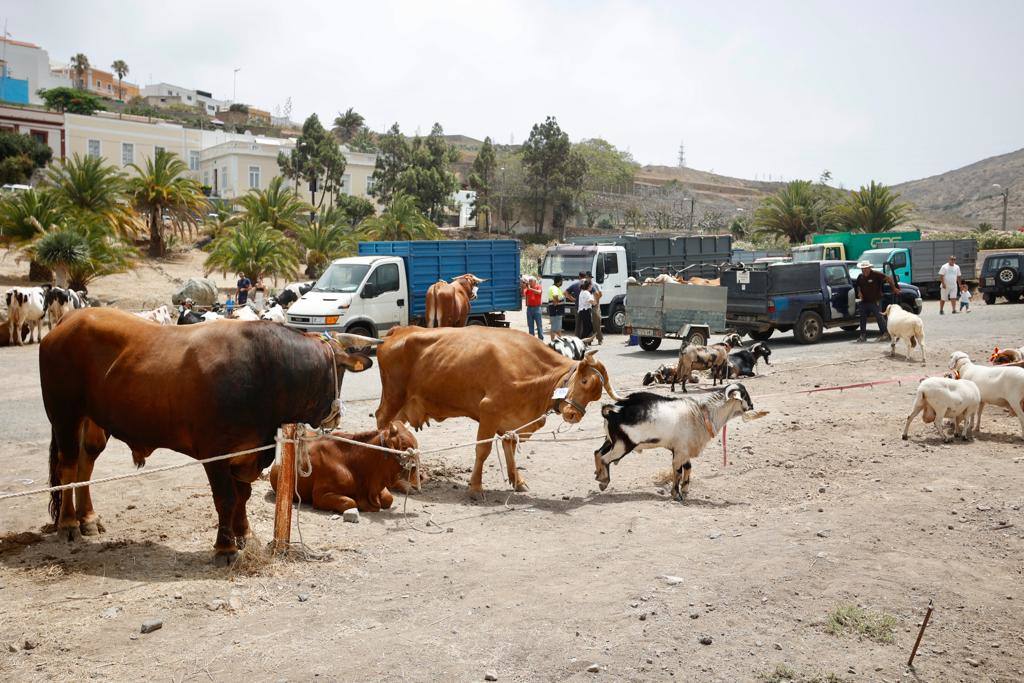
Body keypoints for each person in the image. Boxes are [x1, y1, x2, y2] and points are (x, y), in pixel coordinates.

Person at [853, 260, 898, 343]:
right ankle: (863, 336)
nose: (864, 270)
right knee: (862, 318)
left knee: (879, 317)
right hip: (864, 301)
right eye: (863, 269)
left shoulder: (876, 275)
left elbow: (889, 279)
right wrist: (859, 292)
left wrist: (894, 288)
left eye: (866, 268)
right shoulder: (860, 277)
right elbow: (858, 286)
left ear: (870, 268)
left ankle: (885, 333)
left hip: (875, 301)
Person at [522, 276, 544, 340]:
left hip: (537, 308)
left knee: (539, 325)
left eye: (531, 281)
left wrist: (530, 289)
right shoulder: (528, 289)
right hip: (529, 308)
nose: (530, 282)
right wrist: (523, 287)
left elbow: (539, 292)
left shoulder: (538, 287)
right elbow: (523, 295)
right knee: (530, 325)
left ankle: (541, 339)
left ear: (535, 281)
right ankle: (532, 339)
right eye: (529, 281)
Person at [564, 272, 586, 336]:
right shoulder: (589, 284)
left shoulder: (575, 284)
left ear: (579, 277)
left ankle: (577, 338)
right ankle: (586, 340)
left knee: (578, 324)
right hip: (587, 307)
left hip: (578, 307)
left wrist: (572, 299)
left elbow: (565, 293)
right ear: (585, 277)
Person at [547, 276, 566, 341]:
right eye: (562, 281)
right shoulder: (555, 288)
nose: (562, 283)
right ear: (559, 281)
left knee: (557, 328)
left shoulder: (554, 287)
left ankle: (559, 340)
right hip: (556, 311)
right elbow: (555, 296)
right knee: (555, 328)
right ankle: (555, 342)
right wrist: (556, 302)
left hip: (555, 311)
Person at [588, 273, 604, 345]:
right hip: (587, 306)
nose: (588, 279)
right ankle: (589, 340)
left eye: (589, 277)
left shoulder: (595, 285)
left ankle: (600, 339)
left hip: (595, 306)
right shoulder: (585, 285)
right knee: (588, 324)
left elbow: (600, 294)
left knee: (597, 324)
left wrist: (596, 302)